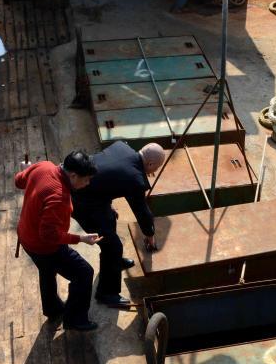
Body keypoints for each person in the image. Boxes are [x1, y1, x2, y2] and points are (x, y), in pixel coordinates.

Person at [71, 141, 165, 307]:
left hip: (93, 195)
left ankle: (114, 262)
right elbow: (142, 212)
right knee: (113, 246)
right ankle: (106, 293)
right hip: (81, 203)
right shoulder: (134, 177)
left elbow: (105, 174)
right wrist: (150, 235)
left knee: (110, 217)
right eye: (156, 168)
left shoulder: (122, 146)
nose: (154, 172)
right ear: (150, 164)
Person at [16, 152, 102, 331]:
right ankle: (75, 319)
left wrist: (26, 171)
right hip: (44, 246)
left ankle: (52, 309)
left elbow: (19, 181)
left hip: (26, 235)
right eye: (86, 180)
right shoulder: (59, 197)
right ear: (73, 176)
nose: (88, 184)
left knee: (46, 270)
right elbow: (49, 235)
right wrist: (80, 238)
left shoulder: (44, 166)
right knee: (84, 273)